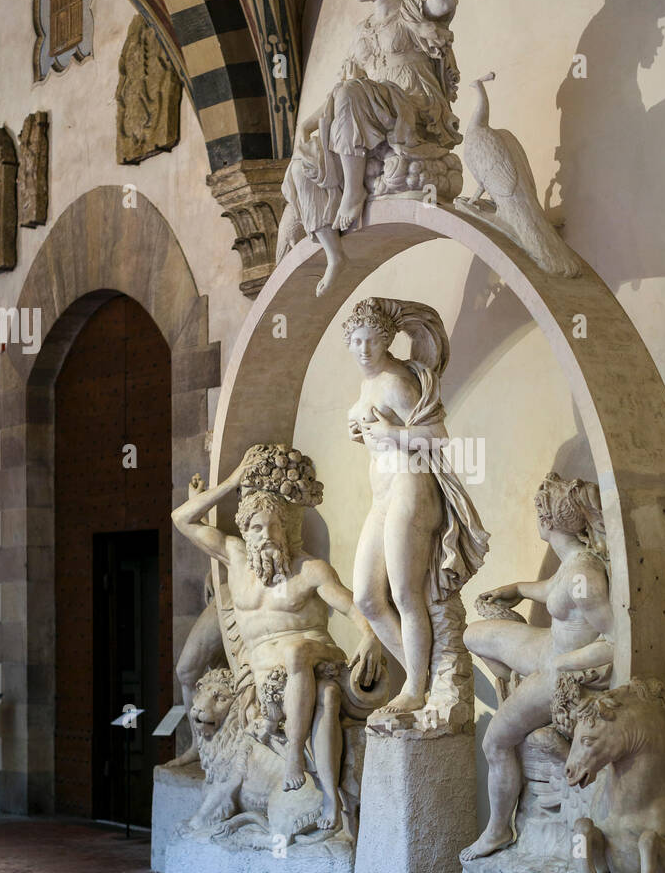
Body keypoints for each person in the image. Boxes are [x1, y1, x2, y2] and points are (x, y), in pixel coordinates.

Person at [171, 448, 383, 830]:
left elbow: (355, 609)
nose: (266, 535)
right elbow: (181, 518)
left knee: (297, 651)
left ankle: (294, 762)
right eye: (256, 527)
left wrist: (369, 636)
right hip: (264, 679)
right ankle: (329, 801)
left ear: (286, 529)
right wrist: (234, 480)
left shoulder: (310, 570)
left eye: (274, 527)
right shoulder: (234, 558)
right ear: (244, 532)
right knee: (325, 696)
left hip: (315, 655)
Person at [281, 0, 461, 294]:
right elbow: (340, 92)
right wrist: (307, 124)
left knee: (350, 94)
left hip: (413, 110)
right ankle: (333, 253)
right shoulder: (361, 33)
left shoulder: (410, 9)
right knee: (302, 166)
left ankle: (353, 191)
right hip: (370, 116)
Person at [344, 296, 488, 719]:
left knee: (406, 594)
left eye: (371, 341)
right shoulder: (368, 384)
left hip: (410, 487)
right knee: (368, 598)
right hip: (382, 495)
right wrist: (366, 433)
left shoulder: (394, 380)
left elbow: (438, 438)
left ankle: (416, 688)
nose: (364, 349)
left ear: (387, 341)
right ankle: (424, 675)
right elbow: (382, 436)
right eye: (356, 341)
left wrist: (391, 432)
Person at [461, 473, 614, 861]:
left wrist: (565, 664)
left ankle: (498, 830)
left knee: (494, 742)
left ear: (547, 519)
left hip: (559, 669)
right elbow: (550, 591)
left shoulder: (585, 574)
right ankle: (511, 685)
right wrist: (515, 588)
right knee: (474, 635)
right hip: (547, 648)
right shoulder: (574, 562)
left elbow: (615, 641)